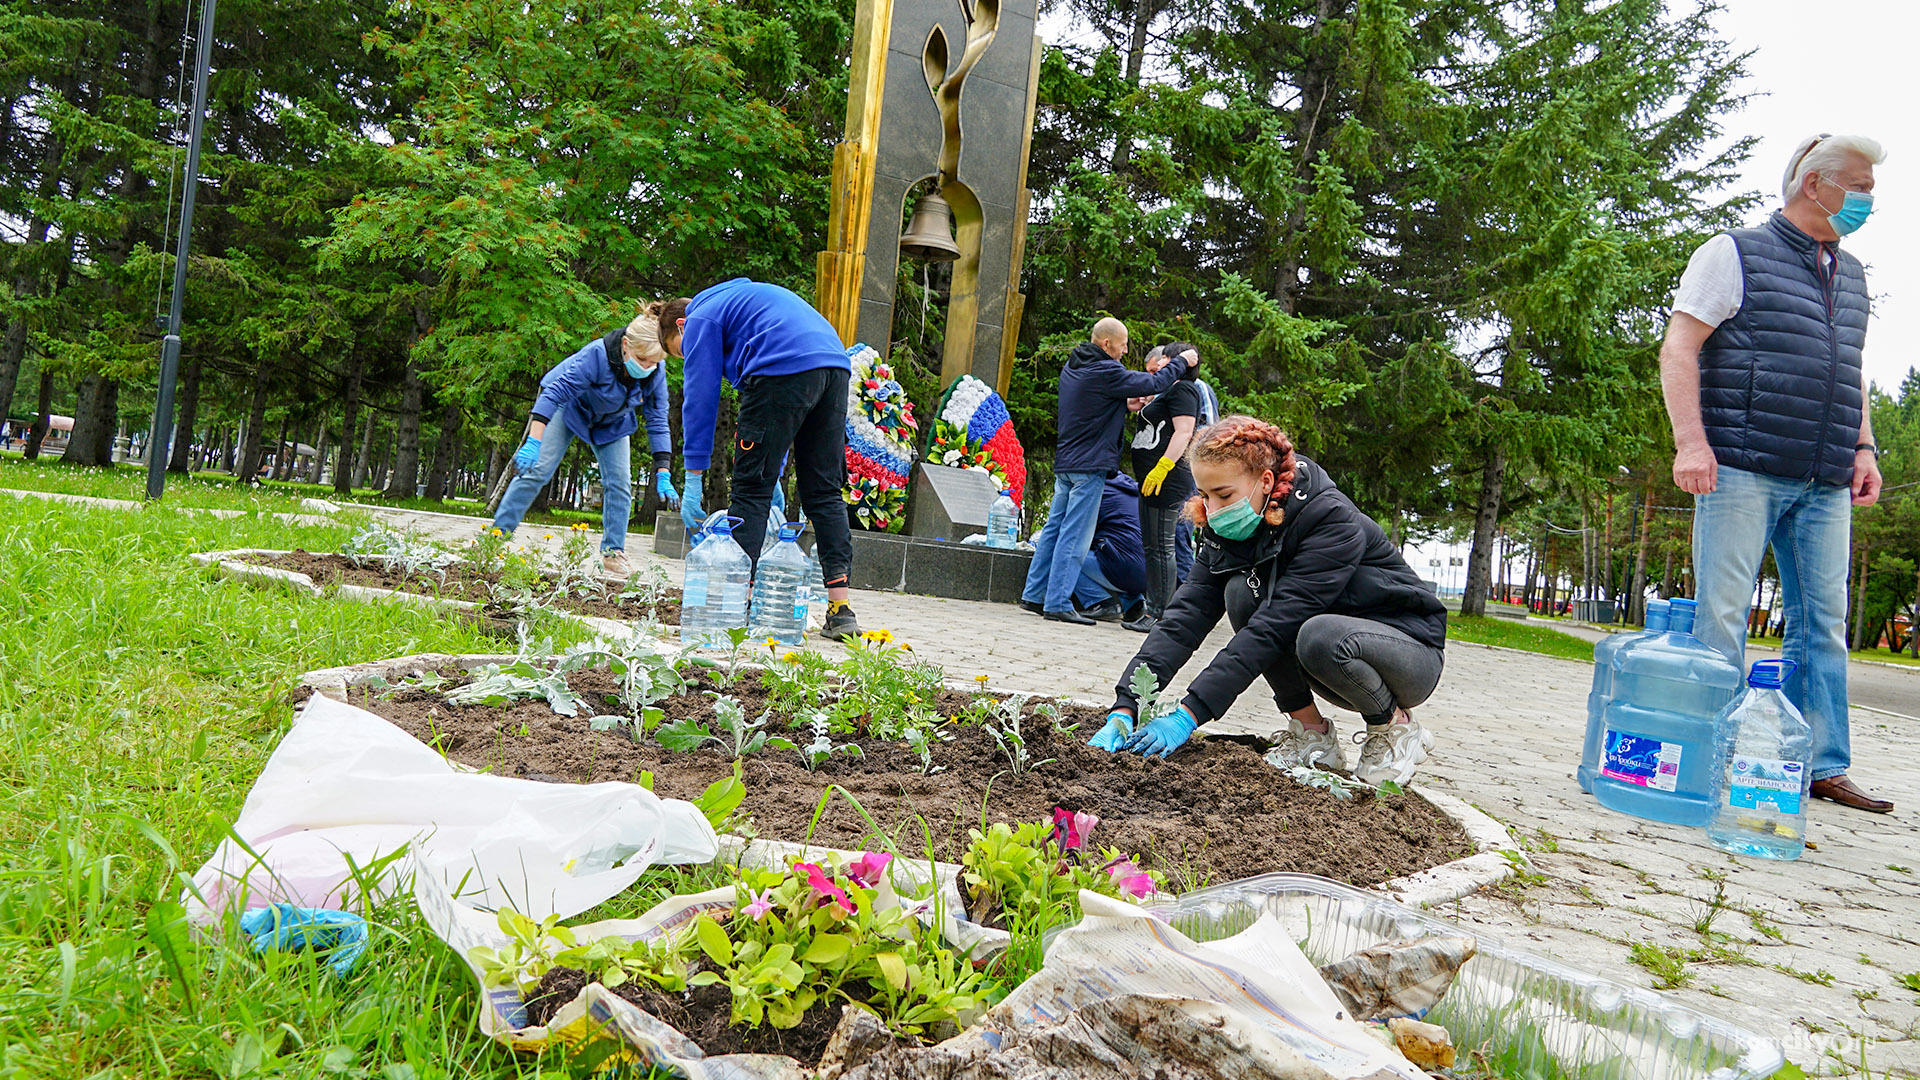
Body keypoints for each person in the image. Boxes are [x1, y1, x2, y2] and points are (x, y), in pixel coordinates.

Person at [1659, 132, 1889, 813]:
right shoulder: (1733, 252)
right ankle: (1714, 757)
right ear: (1813, 185)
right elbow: (1680, 348)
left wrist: (1864, 448)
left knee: (1823, 621)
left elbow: (1850, 369)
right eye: (1860, 186)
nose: (1869, 200)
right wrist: (1690, 443)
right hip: (1742, 468)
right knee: (1723, 615)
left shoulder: (1850, 273)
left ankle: (1820, 764)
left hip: (1824, 478)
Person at [1088, 416, 1449, 787]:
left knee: (1317, 634)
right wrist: (1126, 703)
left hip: (1405, 651)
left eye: (1224, 495)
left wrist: (1188, 714)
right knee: (1242, 594)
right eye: (1204, 495)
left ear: (1265, 480)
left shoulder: (1331, 519)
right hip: (1328, 646)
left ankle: (1394, 729)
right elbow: (1186, 616)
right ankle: (1312, 735)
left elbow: (1275, 626)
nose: (1212, 510)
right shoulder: (1234, 523)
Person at [660, 278, 862, 640]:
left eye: (682, 351)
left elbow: (700, 400)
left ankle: (742, 601)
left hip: (780, 366)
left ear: (680, 326)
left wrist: (692, 477)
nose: (690, 355)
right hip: (834, 363)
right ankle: (840, 609)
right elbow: (780, 420)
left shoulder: (700, 318)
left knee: (751, 491)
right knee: (824, 492)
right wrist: (776, 468)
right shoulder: (741, 300)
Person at [1020, 317, 1194, 624]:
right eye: (1123, 344)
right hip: (1090, 465)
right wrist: (1181, 362)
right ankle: (1058, 602)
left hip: (1067, 462)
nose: (1126, 351)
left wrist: (1121, 404)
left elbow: (1092, 404)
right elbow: (1154, 383)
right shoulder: (1106, 369)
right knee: (1076, 535)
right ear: (1106, 343)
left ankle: (1033, 595)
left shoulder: (1075, 368)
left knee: (1053, 529)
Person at [493, 306, 680, 577]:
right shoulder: (596, 356)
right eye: (642, 360)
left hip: (613, 422)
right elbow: (554, 392)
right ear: (626, 345)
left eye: (654, 363)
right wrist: (534, 441)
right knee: (538, 470)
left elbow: (658, 421)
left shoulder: (655, 371)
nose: (647, 368)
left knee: (620, 483)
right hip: (569, 408)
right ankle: (497, 535)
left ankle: (613, 553)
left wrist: (663, 471)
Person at [1127, 342, 1204, 633]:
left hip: (1167, 480)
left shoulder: (1184, 389)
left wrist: (1163, 466)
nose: (1160, 365)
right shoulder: (1166, 391)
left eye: (1166, 360)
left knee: (1162, 547)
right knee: (1152, 547)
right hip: (1150, 480)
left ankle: (1160, 614)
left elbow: (1184, 431)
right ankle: (1152, 608)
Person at [1072, 470, 1148, 621]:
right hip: (1151, 576)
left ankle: (1100, 602)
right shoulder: (1128, 489)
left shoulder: (1097, 491)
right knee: (1118, 550)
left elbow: (1076, 533)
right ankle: (1134, 603)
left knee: (1065, 555)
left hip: (1125, 570)